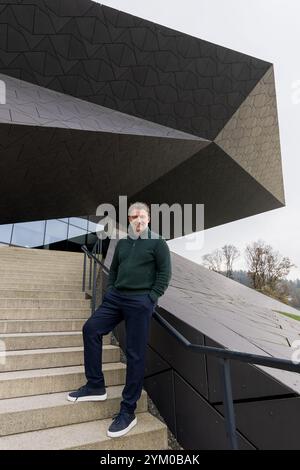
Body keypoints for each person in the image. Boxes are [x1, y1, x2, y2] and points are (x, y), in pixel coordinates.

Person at [67, 201, 172, 438]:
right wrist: (111, 291)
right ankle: (95, 385)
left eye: (141, 215)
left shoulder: (158, 243)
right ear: (130, 219)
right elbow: (113, 271)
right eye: (133, 216)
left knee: (135, 355)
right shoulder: (123, 243)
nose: (137, 219)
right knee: (91, 329)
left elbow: (165, 275)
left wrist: (150, 299)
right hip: (116, 299)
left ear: (149, 218)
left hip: (140, 303)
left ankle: (128, 411)